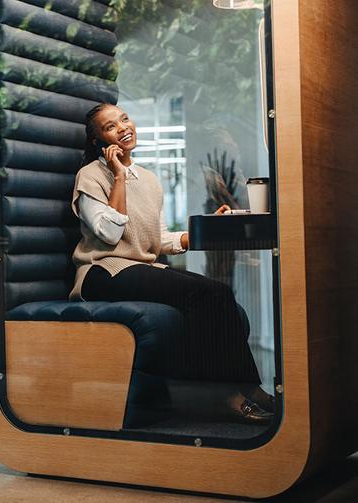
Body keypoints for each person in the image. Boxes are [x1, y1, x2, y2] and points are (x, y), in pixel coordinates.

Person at [70, 103, 274, 423]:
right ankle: (228, 394)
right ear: (98, 141)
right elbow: (109, 233)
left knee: (220, 296)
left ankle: (245, 386)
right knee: (211, 293)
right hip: (103, 271)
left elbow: (160, 238)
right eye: (110, 127)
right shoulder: (91, 176)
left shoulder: (149, 179)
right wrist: (119, 177)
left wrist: (203, 230)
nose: (123, 127)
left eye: (124, 119)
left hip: (140, 268)